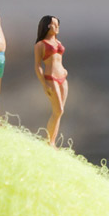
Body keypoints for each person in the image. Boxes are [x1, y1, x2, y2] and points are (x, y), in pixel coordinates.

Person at [34, 15, 68, 146]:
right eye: (53, 24)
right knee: (58, 110)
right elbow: (37, 66)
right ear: (47, 26)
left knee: (60, 112)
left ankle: (52, 141)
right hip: (51, 78)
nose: (57, 26)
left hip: (63, 78)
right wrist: (44, 84)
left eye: (57, 24)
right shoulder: (40, 45)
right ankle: (49, 141)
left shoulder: (58, 42)